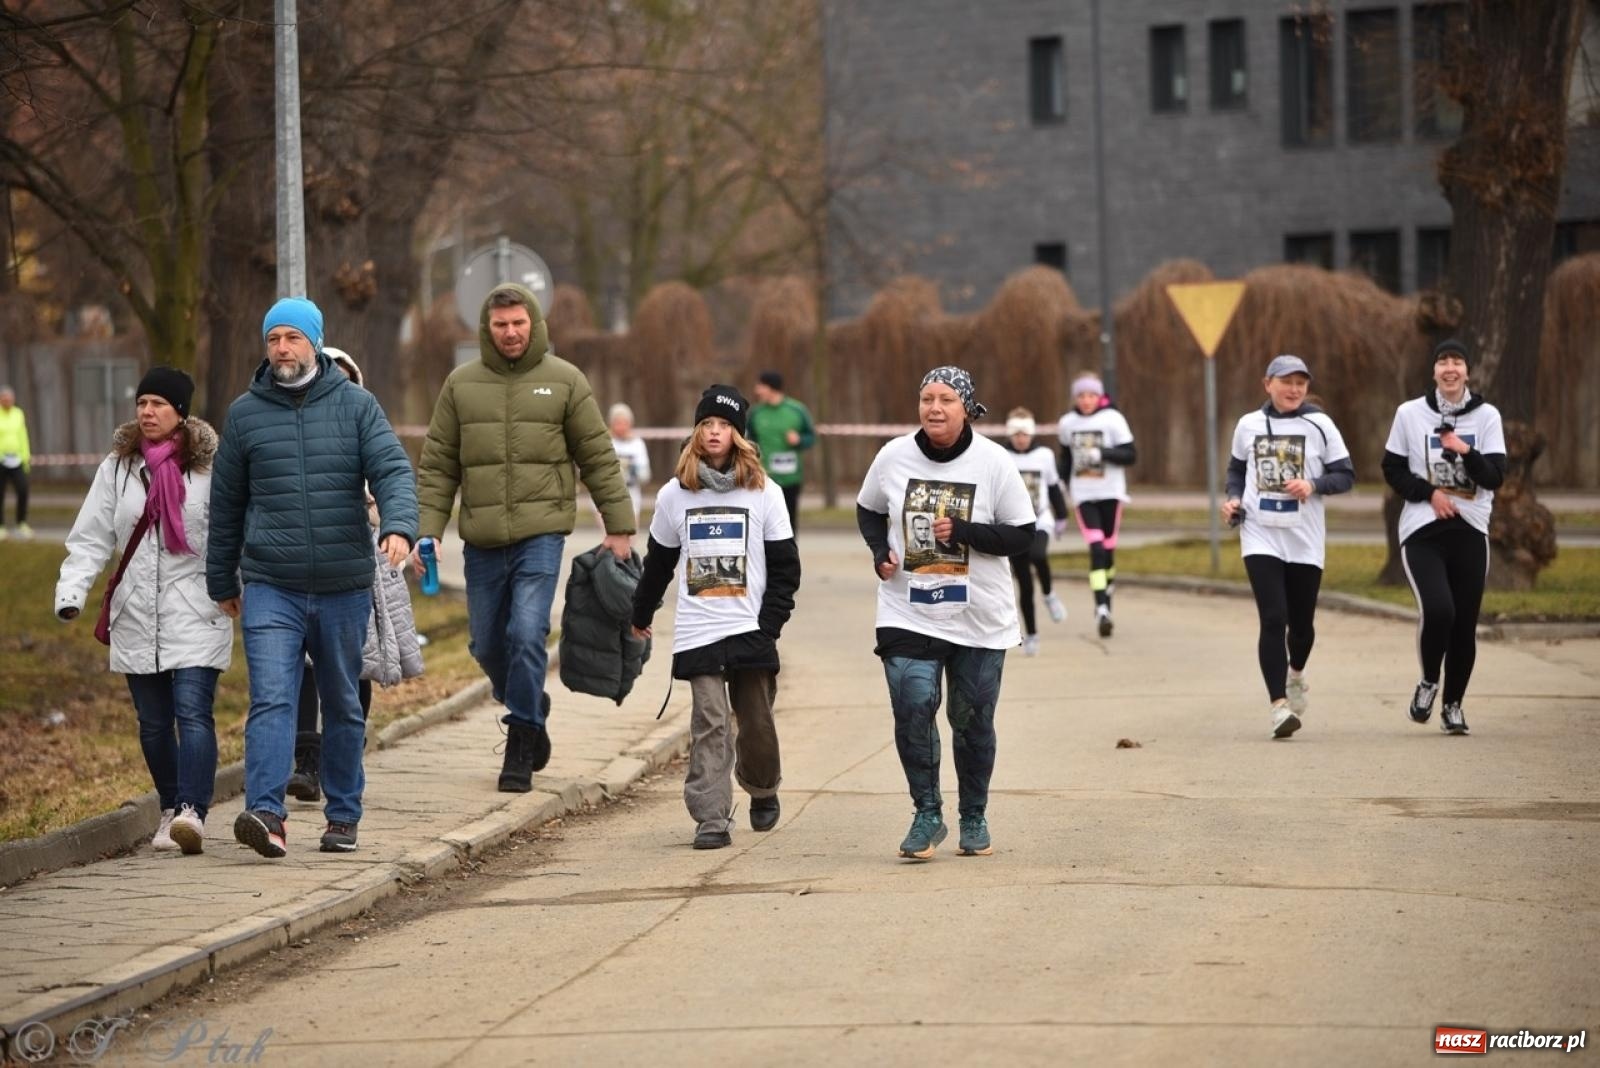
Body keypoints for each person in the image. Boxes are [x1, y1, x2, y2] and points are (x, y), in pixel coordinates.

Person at [208, 298, 419, 858]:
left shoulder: (356, 406)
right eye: (273, 338)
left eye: (293, 338)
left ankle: (343, 815)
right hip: (271, 585)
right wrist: (220, 578)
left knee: (343, 702)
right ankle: (267, 815)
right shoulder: (246, 415)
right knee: (272, 700)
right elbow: (226, 505)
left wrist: (398, 525)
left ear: (315, 343)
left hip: (343, 585)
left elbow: (393, 469)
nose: (282, 348)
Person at [415, 284, 634, 793]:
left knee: (526, 633)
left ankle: (521, 735)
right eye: (500, 325)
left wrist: (618, 526)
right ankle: (531, 699)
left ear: (533, 323)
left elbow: (598, 456)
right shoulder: (460, 385)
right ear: (486, 330)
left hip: (542, 533)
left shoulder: (565, 381)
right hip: (482, 538)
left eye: (518, 323)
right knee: (486, 642)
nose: (511, 333)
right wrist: (427, 530)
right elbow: (438, 465)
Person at [857, 366, 1036, 860]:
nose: (934, 408)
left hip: (979, 613)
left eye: (946, 400)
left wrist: (965, 531)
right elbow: (869, 509)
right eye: (926, 398)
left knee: (972, 718)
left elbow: (1023, 535)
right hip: (908, 607)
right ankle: (927, 813)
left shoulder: (993, 463)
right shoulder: (893, 456)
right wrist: (879, 552)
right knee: (913, 706)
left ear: (966, 407)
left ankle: (973, 814)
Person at [55, 368, 228, 854]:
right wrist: (72, 591)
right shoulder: (118, 467)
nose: (147, 412)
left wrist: (232, 586)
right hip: (136, 611)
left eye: (158, 404)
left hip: (196, 605)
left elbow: (228, 534)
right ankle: (170, 807)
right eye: (141, 403)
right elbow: (91, 536)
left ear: (181, 413)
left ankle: (193, 810)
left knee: (194, 711)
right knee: (153, 723)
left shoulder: (210, 468)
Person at [631, 385, 800, 849]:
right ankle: (711, 817)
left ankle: (763, 787)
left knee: (757, 721)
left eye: (723, 425)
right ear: (696, 431)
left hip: (750, 628)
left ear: (738, 435)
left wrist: (770, 625)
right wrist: (640, 612)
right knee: (710, 722)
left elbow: (786, 569)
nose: (714, 432)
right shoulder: (674, 495)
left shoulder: (765, 493)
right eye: (707, 424)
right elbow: (659, 563)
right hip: (699, 630)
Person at [286, 348, 424, 804]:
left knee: (354, 664)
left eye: (345, 381)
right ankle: (307, 761)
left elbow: (392, 483)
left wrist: (398, 532)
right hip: (300, 566)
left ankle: (346, 750)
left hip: (359, 568)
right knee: (304, 666)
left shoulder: (366, 431)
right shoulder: (293, 435)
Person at [1221, 355, 1355, 739]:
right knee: (1273, 617)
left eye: (1301, 382)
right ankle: (1279, 707)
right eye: (1286, 381)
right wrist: (1232, 499)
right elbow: (1235, 471)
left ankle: (1296, 672)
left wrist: (1313, 485)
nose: (1294, 389)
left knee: (1301, 626)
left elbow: (1346, 475)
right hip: (1260, 533)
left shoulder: (1319, 425)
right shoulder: (1248, 425)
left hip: (1304, 536)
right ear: (1268, 384)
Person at [1382, 338, 1506, 735]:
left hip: (1470, 529)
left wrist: (1464, 450)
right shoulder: (1409, 413)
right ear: (1434, 371)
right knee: (1439, 611)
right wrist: (1430, 494)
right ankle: (1428, 682)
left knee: (1464, 623)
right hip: (1423, 529)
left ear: (1467, 371)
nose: (1450, 368)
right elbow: (1392, 469)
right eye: (1442, 362)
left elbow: (1494, 477)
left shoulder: (1487, 417)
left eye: (1457, 362)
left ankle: (1453, 705)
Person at [1056, 372, 1137, 637]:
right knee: (1097, 548)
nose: (1086, 400)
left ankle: (1106, 596)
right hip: (1083, 495)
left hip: (1111, 493)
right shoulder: (1068, 423)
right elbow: (1065, 458)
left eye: (1091, 395)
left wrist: (1101, 453)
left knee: (1108, 552)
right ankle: (1101, 607)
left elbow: (1130, 455)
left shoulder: (1113, 419)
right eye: (1081, 396)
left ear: (1099, 396)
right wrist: (1062, 485)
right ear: (1075, 398)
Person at [1003, 408, 1069, 656]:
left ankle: (1050, 595)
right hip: (1014, 525)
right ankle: (1031, 634)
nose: (1021, 439)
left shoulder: (1044, 455)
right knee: (1025, 585)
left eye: (1025, 434)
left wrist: (1062, 515)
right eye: (1017, 434)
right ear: (1011, 434)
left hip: (1041, 519)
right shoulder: (1002, 455)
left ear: (1031, 434)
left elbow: (1053, 488)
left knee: (1038, 555)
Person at [748, 371, 816, 533]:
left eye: (760, 386)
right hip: (763, 478)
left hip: (790, 478)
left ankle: (790, 555)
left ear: (771, 388)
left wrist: (799, 440)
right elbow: (748, 441)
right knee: (763, 522)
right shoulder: (756, 413)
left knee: (788, 520)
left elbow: (811, 437)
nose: (757, 390)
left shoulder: (797, 410)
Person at [608, 403, 652, 522]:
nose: (621, 427)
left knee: (631, 532)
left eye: (624, 423)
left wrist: (632, 469)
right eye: (618, 423)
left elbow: (644, 474)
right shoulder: (605, 443)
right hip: (608, 493)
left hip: (631, 493)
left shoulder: (637, 444)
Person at [0, 385, 32, 540]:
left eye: (9, 398)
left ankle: (21, 523)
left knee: (23, 490)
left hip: (17, 459)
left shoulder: (18, 414)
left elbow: (22, 435)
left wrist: (26, 457)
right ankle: (1, 526)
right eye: (4, 398)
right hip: (1, 460)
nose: (7, 400)